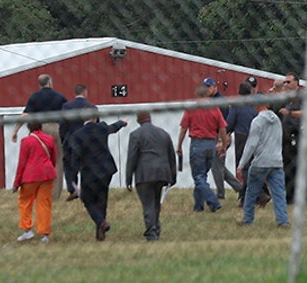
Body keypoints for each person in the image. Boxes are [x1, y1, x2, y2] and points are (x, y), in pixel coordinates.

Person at [70, 115, 127, 240]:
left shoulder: (77, 135)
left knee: (87, 199)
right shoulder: (101, 128)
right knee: (102, 200)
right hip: (106, 170)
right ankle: (100, 231)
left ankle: (101, 222)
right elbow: (113, 128)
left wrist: (73, 180)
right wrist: (122, 122)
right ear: (95, 118)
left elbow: (75, 158)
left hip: (89, 172)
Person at [236, 97, 289, 227]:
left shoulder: (257, 121)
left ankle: (248, 219)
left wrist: (241, 164)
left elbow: (251, 144)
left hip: (261, 162)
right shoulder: (276, 119)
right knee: (279, 193)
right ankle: (282, 220)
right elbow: (279, 139)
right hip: (276, 161)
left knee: (251, 192)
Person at [125, 111, 177, 241]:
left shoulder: (135, 135)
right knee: (156, 203)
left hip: (144, 174)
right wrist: (173, 175)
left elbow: (132, 157)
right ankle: (156, 228)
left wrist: (128, 178)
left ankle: (151, 232)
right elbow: (171, 155)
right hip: (162, 173)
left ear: (138, 120)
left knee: (148, 204)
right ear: (150, 118)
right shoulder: (163, 134)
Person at [177, 83, 228, 213]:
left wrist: (179, 145)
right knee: (202, 175)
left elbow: (183, 128)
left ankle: (213, 201)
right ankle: (198, 206)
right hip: (211, 143)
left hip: (197, 143)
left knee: (198, 176)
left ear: (196, 94)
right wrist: (223, 144)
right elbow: (222, 128)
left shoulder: (192, 108)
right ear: (208, 94)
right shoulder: (214, 109)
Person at [12, 119, 57, 243]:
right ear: (41, 127)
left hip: (30, 175)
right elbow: (53, 158)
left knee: (25, 201)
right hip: (47, 175)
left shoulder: (26, 141)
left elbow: (22, 162)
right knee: (44, 203)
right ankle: (44, 234)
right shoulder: (49, 139)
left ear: (29, 128)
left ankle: (28, 230)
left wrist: (17, 182)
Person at [221, 77, 258, 206]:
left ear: (239, 91)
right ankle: (251, 194)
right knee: (253, 166)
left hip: (242, 137)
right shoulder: (256, 104)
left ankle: (251, 196)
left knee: (242, 167)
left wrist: (225, 133)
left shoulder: (237, 104)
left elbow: (230, 122)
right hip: (255, 137)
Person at [59, 84, 98, 201]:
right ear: (85, 92)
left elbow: (62, 125)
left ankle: (73, 188)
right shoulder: (92, 107)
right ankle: (89, 190)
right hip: (88, 141)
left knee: (69, 165)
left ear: (74, 93)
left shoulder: (67, 106)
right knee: (88, 166)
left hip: (71, 139)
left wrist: (63, 139)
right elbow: (96, 125)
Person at [276, 74, 307, 205]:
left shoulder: (302, 96)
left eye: (288, 82)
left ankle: (303, 196)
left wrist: (289, 113)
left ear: (296, 83)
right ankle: (290, 196)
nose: (286, 85)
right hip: (286, 136)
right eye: (284, 82)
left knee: (298, 167)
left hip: (298, 134)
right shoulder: (287, 98)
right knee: (287, 167)